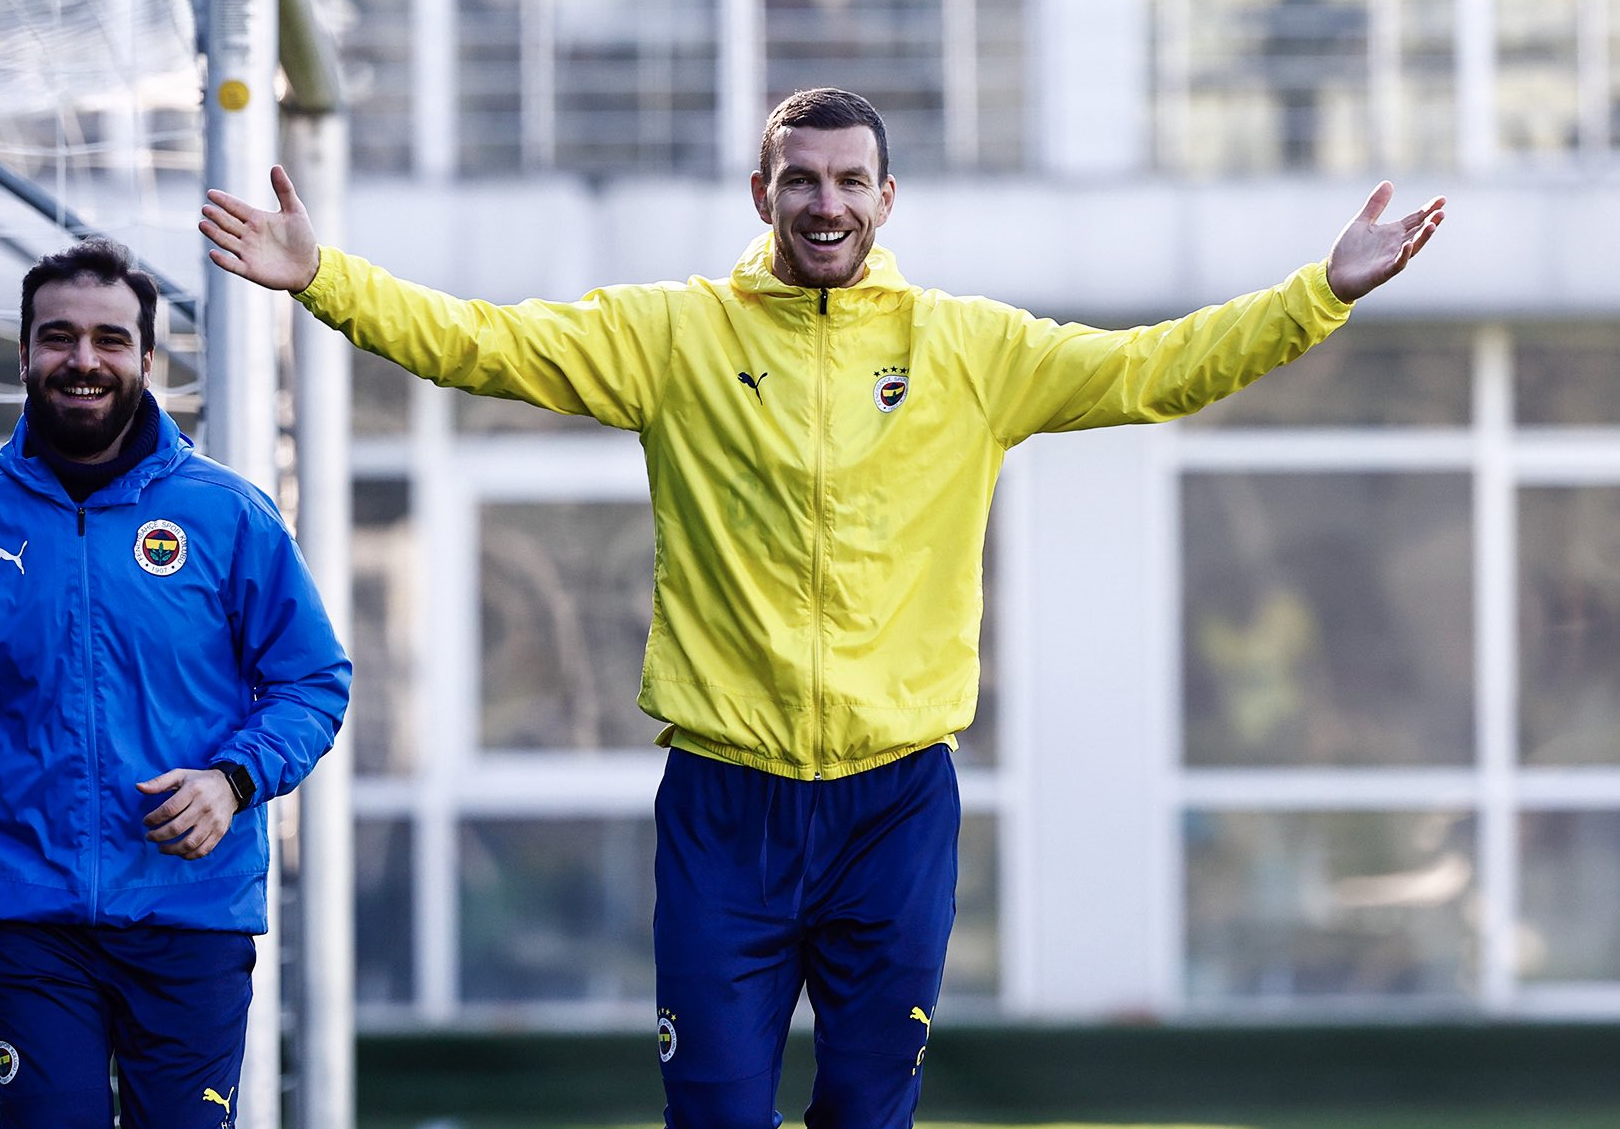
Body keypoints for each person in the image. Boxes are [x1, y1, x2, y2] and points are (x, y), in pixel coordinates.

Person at [199, 87, 1445, 1129]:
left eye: (852, 181)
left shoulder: (967, 350)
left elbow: (1152, 369)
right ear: (762, 194)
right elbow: (480, 342)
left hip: (893, 802)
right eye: (802, 180)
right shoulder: (676, 336)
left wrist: (1318, 293)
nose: (828, 203)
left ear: (888, 200)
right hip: (725, 804)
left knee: (865, 1109)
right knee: (720, 1111)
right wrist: (326, 280)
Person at [0, 239, 349, 1129]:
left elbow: (311, 682)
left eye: (110, 340)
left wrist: (232, 782)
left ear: (147, 359)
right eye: (58, 337)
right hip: (27, 917)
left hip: (192, 912)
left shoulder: (226, 515)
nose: (83, 360)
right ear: (26, 352)